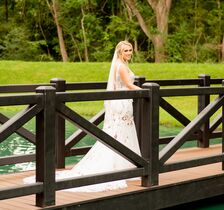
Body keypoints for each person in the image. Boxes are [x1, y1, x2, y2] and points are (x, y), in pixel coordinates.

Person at [24, 40, 142, 192]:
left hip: (123, 101)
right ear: (119, 52)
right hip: (122, 103)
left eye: (130, 50)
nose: (129, 53)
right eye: (126, 50)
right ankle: (118, 165)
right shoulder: (120, 66)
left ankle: (127, 164)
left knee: (122, 133)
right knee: (118, 133)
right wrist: (147, 92)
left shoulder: (121, 64)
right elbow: (128, 85)